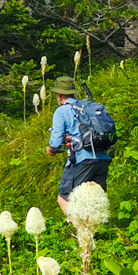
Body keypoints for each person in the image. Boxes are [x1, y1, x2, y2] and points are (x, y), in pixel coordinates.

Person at [45, 76, 110, 211]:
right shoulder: (87, 107)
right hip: (102, 158)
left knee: (65, 198)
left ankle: (78, 228)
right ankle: (94, 230)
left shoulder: (62, 111)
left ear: (59, 95)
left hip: (82, 160)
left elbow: (56, 141)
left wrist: (52, 149)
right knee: (93, 201)